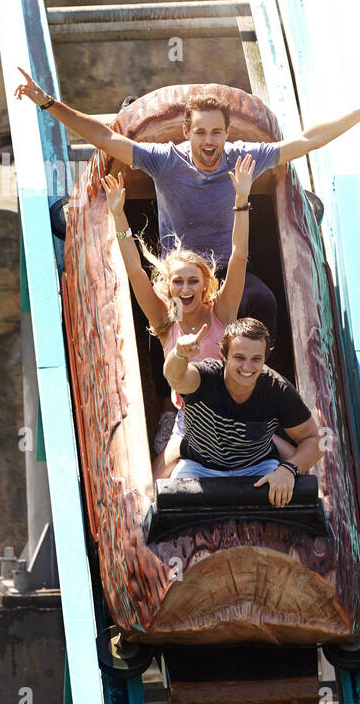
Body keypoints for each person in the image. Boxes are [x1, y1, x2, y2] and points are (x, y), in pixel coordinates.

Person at [11, 67, 360, 339]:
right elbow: (105, 138)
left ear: (227, 132)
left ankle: (254, 379)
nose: (209, 141)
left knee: (262, 300)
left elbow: (306, 142)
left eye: (217, 132)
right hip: (176, 274)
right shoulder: (165, 161)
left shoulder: (242, 156)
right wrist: (46, 102)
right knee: (149, 314)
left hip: (225, 272)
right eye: (201, 132)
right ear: (187, 132)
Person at [101, 154, 290, 477]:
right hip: (193, 417)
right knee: (157, 476)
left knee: (291, 452)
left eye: (193, 281)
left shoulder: (222, 311)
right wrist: (118, 215)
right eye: (178, 281)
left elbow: (239, 256)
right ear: (169, 287)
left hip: (236, 411)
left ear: (204, 286)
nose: (185, 288)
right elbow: (135, 271)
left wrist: (241, 199)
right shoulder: (164, 321)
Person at [163, 317, 323, 507]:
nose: (247, 367)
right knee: (171, 508)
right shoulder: (205, 377)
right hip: (200, 466)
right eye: (239, 358)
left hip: (258, 466)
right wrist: (179, 354)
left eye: (256, 359)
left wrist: (288, 469)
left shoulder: (277, 389)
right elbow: (174, 376)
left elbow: (315, 441)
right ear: (223, 355)